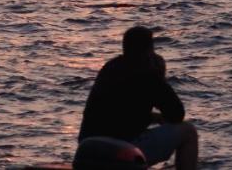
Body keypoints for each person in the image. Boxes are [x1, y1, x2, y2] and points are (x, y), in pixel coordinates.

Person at [78, 26, 199, 169]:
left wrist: (152, 117)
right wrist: (160, 77)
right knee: (188, 131)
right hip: (119, 152)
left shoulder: (110, 67)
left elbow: (121, 110)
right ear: (149, 50)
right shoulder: (148, 74)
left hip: (87, 148)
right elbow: (177, 114)